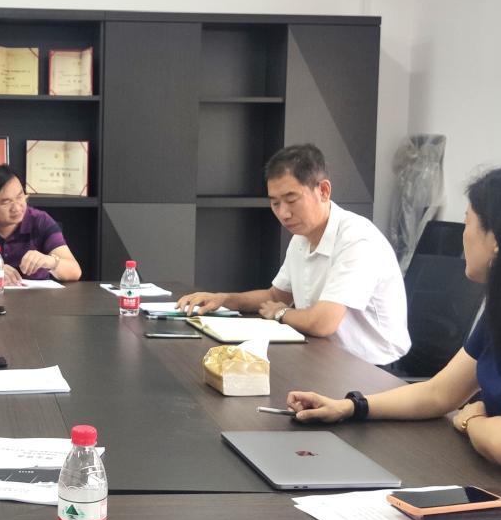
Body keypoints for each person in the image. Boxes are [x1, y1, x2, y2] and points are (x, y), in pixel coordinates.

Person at [288, 163, 501, 465]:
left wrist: (471, 418)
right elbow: (439, 393)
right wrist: (349, 407)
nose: (463, 235)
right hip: (498, 477)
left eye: (468, 222)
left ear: (497, 239)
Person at [176, 144, 410, 365]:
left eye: (291, 200)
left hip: (373, 369)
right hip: (322, 355)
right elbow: (275, 295)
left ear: (323, 191)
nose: (283, 213)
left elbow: (322, 323)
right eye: (275, 203)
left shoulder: (357, 239)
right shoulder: (301, 238)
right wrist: (223, 299)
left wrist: (281, 313)